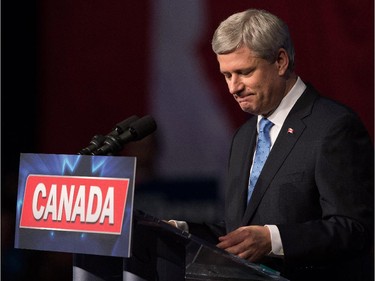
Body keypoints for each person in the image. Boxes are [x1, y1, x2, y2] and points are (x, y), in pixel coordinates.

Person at [169, 8, 374, 281]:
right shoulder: (243, 137)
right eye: (227, 75)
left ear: (280, 61)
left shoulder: (334, 126)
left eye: (244, 72)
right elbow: (241, 231)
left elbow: (355, 228)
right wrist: (181, 230)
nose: (233, 87)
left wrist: (273, 239)